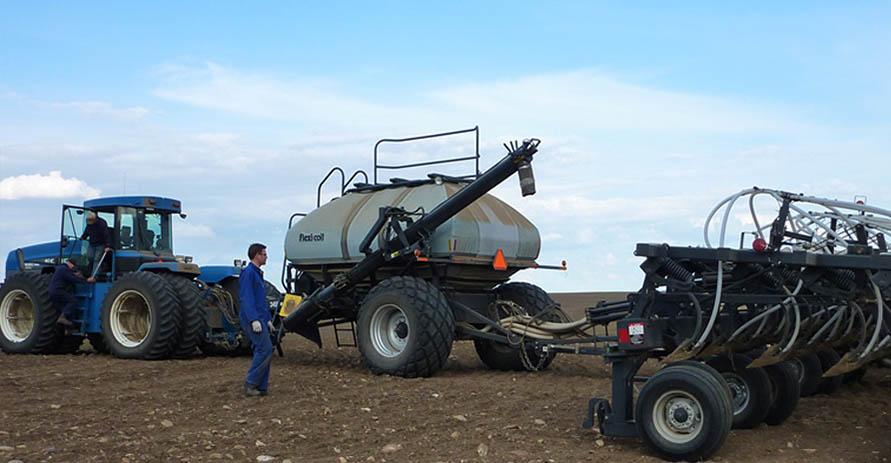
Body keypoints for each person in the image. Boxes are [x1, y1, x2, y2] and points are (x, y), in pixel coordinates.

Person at [239, 242, 273, 397]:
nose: (266, 257)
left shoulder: (257, 274)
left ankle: (261, 387)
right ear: (257, 255)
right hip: (253, 320)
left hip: (260, 318)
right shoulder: (249, 273)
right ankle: (251, 384)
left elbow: (261, 300)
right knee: (264, 349)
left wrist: (268, 319)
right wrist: (253, 319)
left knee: (264, 349)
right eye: (264, 254)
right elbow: (247, 298)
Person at [50, 258, 96, 326]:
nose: (73, 267)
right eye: (72, 265)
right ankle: (63, 317)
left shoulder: (61, 269)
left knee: (64, 307)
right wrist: (86, 280)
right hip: (58, 290)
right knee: (72, 301)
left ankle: (67, 326)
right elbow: (72, 278)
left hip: (53, 291)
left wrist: (75, 275)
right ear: (69, 263)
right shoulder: (64, 269)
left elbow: (69, 276)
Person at [80, 212, 112, 277]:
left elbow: (106, 235)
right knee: (89, 256)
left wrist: (108, 245)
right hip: (92, 243)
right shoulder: (89, 224)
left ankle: (94, 275)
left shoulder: (101, 224)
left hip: (100, 244)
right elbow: (87, 231)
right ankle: (93, 269)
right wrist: (83, 237)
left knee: (97, 259)